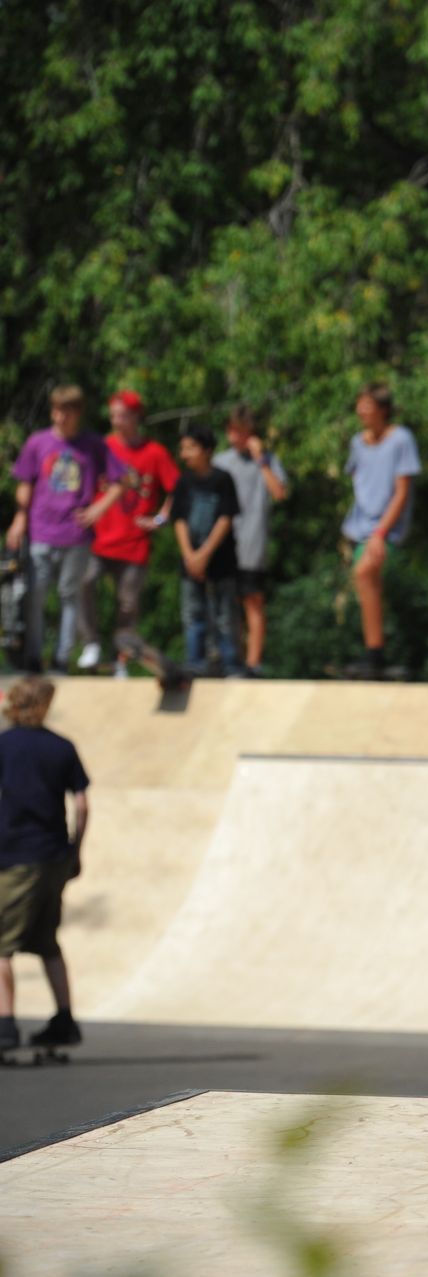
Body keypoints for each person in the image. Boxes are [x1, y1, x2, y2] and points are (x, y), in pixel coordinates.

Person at [0, 677, 91, 1057]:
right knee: (46, 941)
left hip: (17, 857)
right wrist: (75, 850)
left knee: (1, 945)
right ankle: (64, 1020)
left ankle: (4, 1027)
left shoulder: (4, 744)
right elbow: (83, 804)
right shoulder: (62, 747)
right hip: (55, 856)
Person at [7, 387, 125, 673]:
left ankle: (61, 659)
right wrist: (19, 518)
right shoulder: (38, 442)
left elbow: (120, 480)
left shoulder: (92, 444)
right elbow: (25, 483)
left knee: (69, 595)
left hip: (76, 534)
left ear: (77, 414)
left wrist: (98, 509)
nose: (60, 418)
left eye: (66, 413)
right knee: (35, 594)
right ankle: (33, 658)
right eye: (56, 411)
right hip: (41, 529)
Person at [90, 390, 178, 677]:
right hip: (99, 540)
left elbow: (178, 488)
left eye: (122, 415)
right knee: (83, 583)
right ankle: (92, 646)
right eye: (113, 415)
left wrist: (161, 518)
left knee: (127, 605)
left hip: (134, 543)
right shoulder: (102, 447)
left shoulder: (154, 453)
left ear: (136, 417)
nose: (116, 421)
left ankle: (121, 661)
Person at [340, 384, 420, 679]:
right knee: (364, 583)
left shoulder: (401, 440)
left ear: (383, 409)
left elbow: (401, 493)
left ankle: (375, 655)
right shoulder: (357, 443)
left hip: (387, 530)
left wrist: (381, 532)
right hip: (361, 529)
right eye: (359, 405)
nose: (361, 410)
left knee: (364, 574)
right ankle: (374, 654)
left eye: (367, 405)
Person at [213, 404, 290, 677]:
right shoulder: (220, 461)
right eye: (232, 431)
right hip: (222, 545)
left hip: (252, 543)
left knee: (252, 601)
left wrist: (262, 461)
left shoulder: (267, 460)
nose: (235, 438)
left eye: (242, 433)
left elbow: (279, 493)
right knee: (224, 605)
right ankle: (228, 658)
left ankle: (253, 663)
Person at [173, 425, 242, 674]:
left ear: (207, 450)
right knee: (193, 614)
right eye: (183, 449)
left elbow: (226, 518)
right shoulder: (183, 482)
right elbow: (178, 519)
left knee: (224, 614)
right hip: (190, 562)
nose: (185, 454)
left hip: (220, 561)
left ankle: (230, 663)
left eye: (190, 448)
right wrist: (190, 556)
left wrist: (204, 554)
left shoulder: (222, 480)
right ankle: (195, 662)